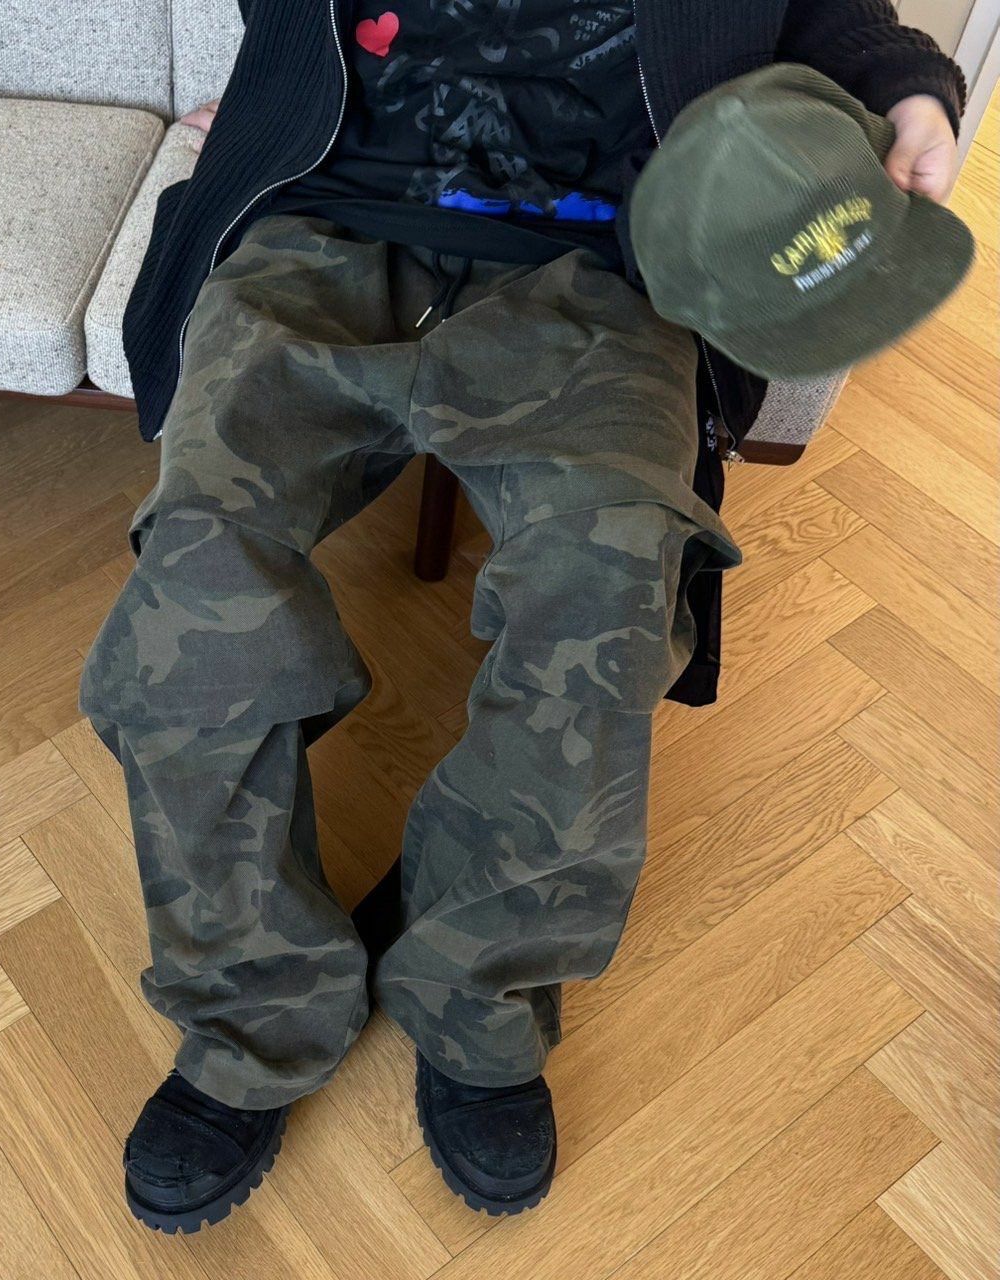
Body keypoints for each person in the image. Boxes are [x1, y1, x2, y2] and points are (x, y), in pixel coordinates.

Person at [79, 0, 965, 1233]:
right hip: (323, 225)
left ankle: (477, 999)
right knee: (193, 588)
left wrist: (913, 90)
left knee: (604, 594)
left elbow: (823, 8)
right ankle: (251, 1009)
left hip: (600, 263)